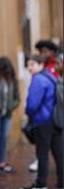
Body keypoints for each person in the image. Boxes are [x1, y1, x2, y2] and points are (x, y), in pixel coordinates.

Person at [19, 55, 63, 189]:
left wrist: (28, 113)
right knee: (59, 154)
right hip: (55, 121)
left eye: (32, 65)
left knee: (42, 154)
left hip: (42, 121)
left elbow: (32, 104)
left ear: (40, 65)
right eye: (28, 65)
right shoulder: (51, 77)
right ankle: (62, 185)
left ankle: (40, 185)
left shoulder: (38, 79)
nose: (29, 68)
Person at [28, 40, 61, 172]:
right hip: (47, 115)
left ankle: (43, 182)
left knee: (52, 147)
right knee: (49, 146)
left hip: (49, 114)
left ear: (52, 52)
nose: (43, 54)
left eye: (45, 51)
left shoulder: (54, 67)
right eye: (41, 51)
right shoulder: (42, 70)